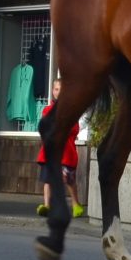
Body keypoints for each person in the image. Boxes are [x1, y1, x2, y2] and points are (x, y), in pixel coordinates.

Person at [35, 76, 87, 218]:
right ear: (53, 91)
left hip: (65, 152)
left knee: (69, 180)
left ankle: (76, 204)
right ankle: (47, 205)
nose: (59, 92)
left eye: (62, 90)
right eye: (57, 89)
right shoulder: (47, 110)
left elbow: (75, 129)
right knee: (48, 180)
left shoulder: (71, 110)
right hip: (50, 152)